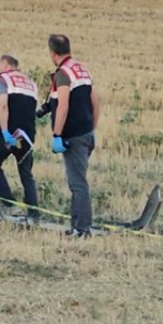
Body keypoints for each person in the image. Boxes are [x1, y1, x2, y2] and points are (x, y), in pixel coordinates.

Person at [37, 34, 100, 237]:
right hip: (87, 134)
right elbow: (95, 102)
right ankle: (76, 226)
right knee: (77, 182)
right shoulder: (80, 69)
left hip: (73, 137)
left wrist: (57, 134)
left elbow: (63, 105)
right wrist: (92, 128)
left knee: (78, 184)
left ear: (52, 53)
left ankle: (82, 229)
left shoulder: (63, 74)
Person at [0, 54, 40, 219]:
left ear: (6, 65)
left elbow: (3, 106)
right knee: (26, 173)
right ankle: (34, 212)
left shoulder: (2, 79)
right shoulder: (31, 84)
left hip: (9, 133)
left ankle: (9, 203)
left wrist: (4, 132)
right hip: (28, 135)